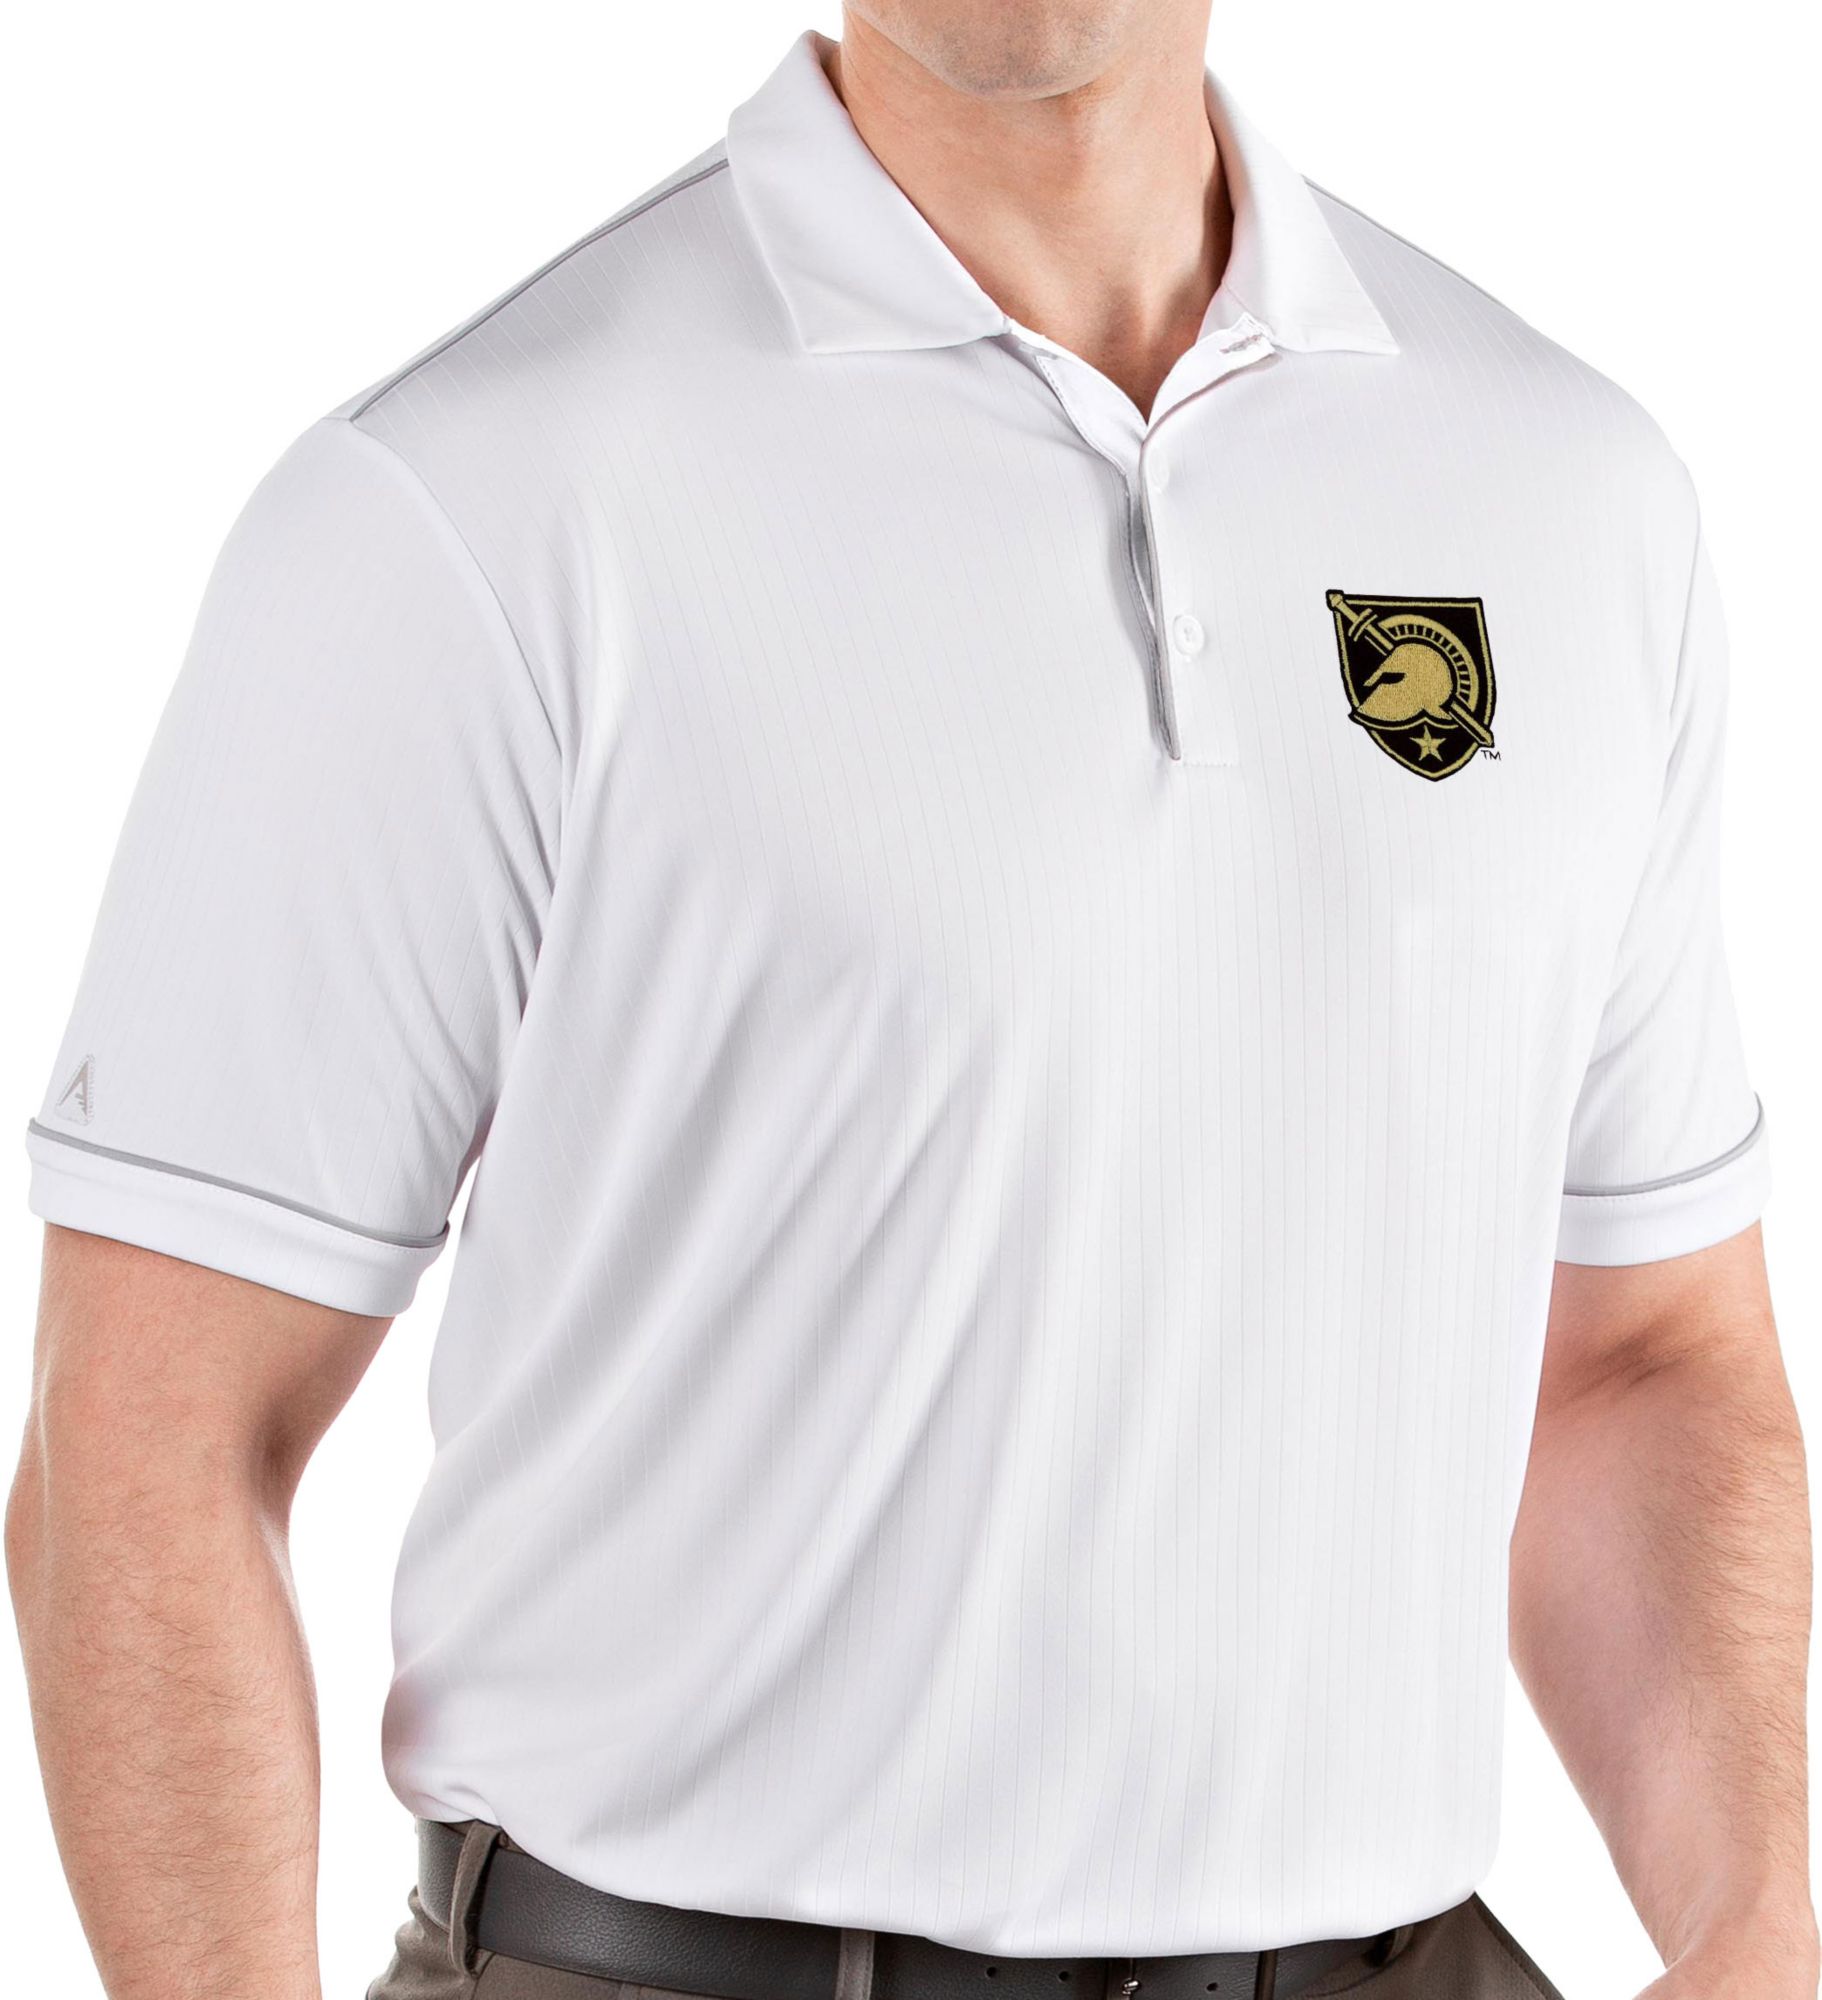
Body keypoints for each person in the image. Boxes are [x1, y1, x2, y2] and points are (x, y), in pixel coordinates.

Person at [8, 2, 1814, 1997]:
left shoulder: (1566, 491)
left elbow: (1642, 1351)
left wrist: (1749, 1918)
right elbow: (149, 1435)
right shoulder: (471, 501)